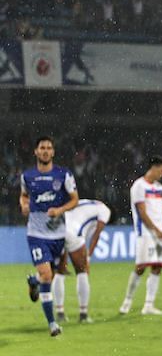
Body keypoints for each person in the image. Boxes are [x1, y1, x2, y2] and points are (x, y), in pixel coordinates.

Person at [20, 136, 79, 336]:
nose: (45, 151)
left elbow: (74, 200)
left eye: (49, 148)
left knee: (49, 276)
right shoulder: (27, 176)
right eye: (42, 148)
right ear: (36, 152)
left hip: (58, 235)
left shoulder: (64, 175)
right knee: (47, 275)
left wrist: (60, 210)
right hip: (36, 233)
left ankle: (34, 282)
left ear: (53, 152)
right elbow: (24, 194)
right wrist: (23, 204)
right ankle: (52, 324)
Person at [119, 156, 162, 315]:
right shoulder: (139, 186)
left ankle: (148, 305)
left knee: (158, 267)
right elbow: (142, 213)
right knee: (141, 267)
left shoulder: (160, 188)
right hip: (146, 234)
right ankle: (127, 301)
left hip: (161, 234)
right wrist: (156, 231)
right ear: (154, 168)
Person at [53, 199, 111, 323]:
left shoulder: (85, 202)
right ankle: (83, 315)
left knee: (60, 271)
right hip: (74, 233)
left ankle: (60, 313)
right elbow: (97, 234)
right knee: (82, 271)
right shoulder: (105, 210)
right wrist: (88, 256)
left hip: (58, 229)